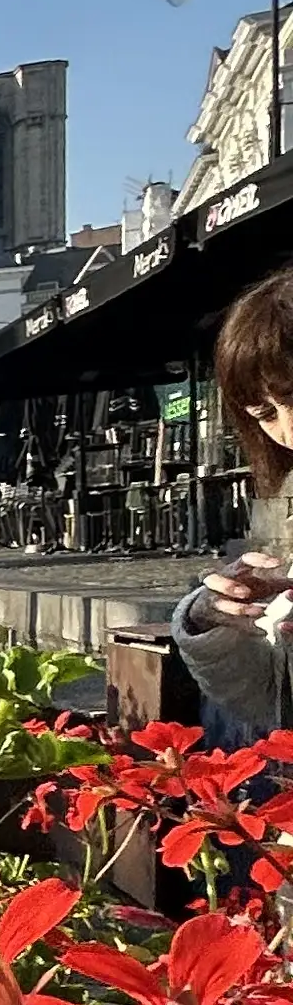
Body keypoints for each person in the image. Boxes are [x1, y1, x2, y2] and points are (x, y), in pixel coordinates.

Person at [172, 267, 293, 736]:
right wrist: (209, 619)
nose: (287, 433)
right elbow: (261, 700)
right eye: (265, 414)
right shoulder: (284, 496)